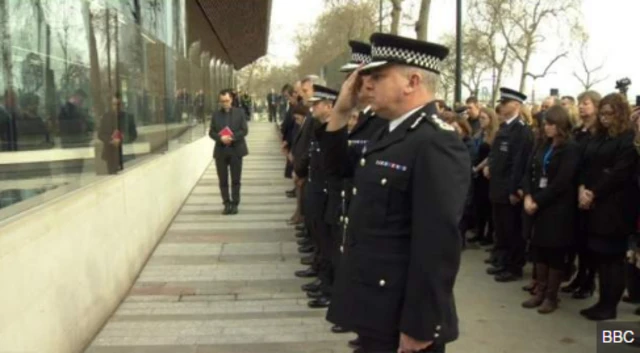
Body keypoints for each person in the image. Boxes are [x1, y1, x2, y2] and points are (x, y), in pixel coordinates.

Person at [324, 33, 471, 353]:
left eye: (377, 76)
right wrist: (340, 112)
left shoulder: (436, 142)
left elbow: (438, 244)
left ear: (412, 81)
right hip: (376, 304)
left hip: (402, 314)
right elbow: (335, 170)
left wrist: (421, 325)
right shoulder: (389, 131)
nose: (366, 83)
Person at [578, 93, 639, 321]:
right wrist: (583, 188)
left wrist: (593, 192)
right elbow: (587, 164)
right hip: (595, 203)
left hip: (616, 206)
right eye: (602, 113)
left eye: (609, 114)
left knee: (613, 258)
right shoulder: (599, 136)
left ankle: (609, 305)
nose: (604, 118)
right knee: (601, 256)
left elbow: (619, 173)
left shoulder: (626, 138)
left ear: (620, 114)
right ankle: (602, 301)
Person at [520, 105, 580, 314]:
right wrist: (527, 195)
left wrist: (538, 201)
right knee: (539, 249)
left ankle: (551, 297)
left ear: (561, 125)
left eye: (551, 124)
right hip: (536, 203)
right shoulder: (542, 144)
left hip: (557, 208)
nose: (546, 127)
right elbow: (529, 171)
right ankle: (540, 291)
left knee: (554, 251)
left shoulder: (570, 148)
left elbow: (562, 182)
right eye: (545, 123)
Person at [484, 87, 534, 283]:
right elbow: (497, 154)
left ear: (516, 105)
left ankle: (514, 266)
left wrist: (515, 189)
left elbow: (520, 163)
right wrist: (490, 166)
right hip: (497, 185)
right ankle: (503, 261)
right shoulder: (505, 127)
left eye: (505, 103)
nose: (501, 106)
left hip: (509, 188)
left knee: (512, 229)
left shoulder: (522, 131)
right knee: (502, 228)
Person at [561, 91, 602, 299]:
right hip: (573, 190)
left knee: (588, 241)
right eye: (580, 104)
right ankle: (578, 277)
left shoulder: (600, 132)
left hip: (588, 191)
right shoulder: (579, 131)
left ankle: (588, 282)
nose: (582, 107)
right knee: (576, 239)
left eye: (586, 103)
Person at [208, 89, 249, 215]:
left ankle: (235, 203)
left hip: (236, 150)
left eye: (227, 101)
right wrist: (220, 138)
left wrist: (232, 137)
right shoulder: (215, 114)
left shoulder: (240, 112)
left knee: (236, 179)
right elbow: (211, 132)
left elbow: (244, 130)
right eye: (222, 101)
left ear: (231, 99)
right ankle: (226, 203)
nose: (225, 103)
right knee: (223, 180)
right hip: (221, 151)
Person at [469, 107, 499, 246]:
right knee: (478, 204)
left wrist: (478, 167)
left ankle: (489, 235)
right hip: (476, 172)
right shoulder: (478, 134)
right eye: (480, 118)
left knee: (487, 205)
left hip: (486, 173)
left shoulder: (495, 135)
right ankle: (479, 232)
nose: (480, 120)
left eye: (484, 118)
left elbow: (491, 156)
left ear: (491, 119)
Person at [97, 92, 138, 175]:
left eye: (118, 104)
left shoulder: (129, 117)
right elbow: (100, 134)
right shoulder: (106, 117)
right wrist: (111, 140)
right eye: (114, 104)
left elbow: (134, 135)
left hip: (125, 153)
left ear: (122, 105)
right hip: (110, 154)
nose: (116, 107)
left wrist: (122, 139)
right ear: (111, 105)